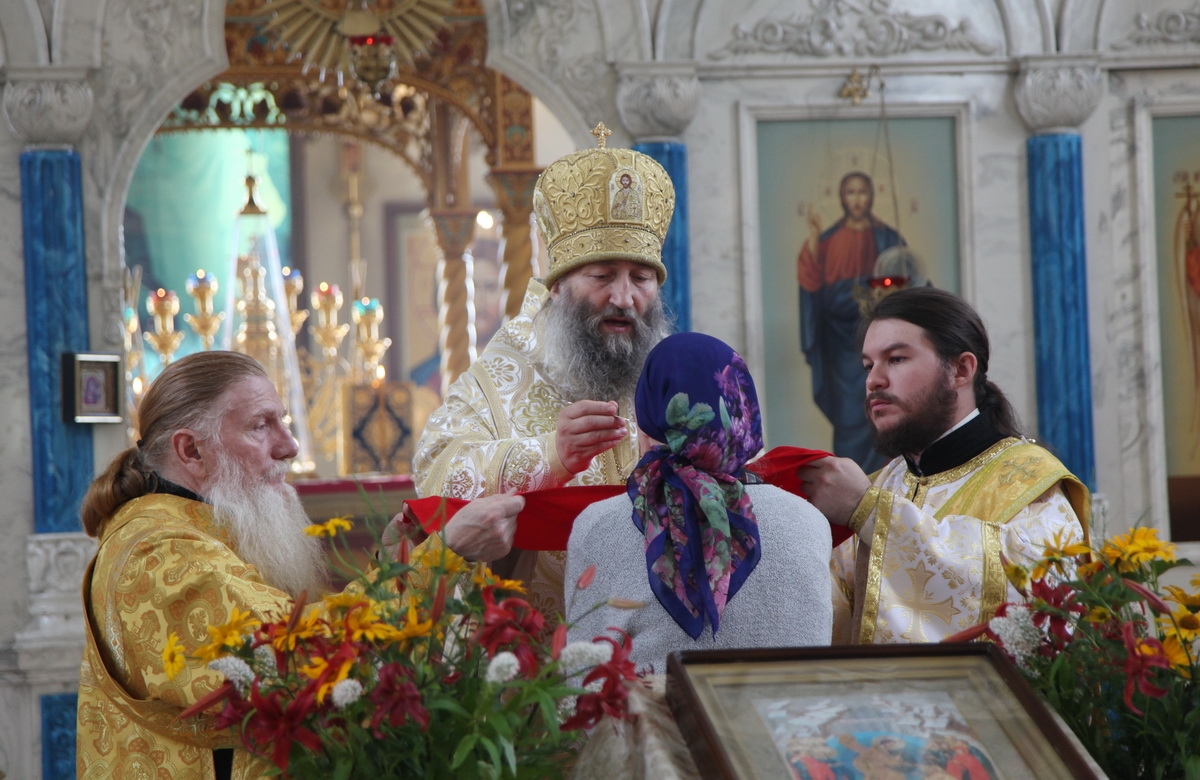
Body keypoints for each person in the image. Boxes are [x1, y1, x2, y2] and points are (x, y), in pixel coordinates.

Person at [76, 351, 523, 780]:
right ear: (191, 450)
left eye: (283, 421)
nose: (289, 446)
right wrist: (440, 558)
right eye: (261, 426)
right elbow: (292, 663)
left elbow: (290, 623)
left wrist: (396, 568)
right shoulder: (158, 555)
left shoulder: (202, 527)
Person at [412, 124, 675, 624]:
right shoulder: (505, 371)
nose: (624, 297)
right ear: (557, 287)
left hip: (662, 639)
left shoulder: (676, 373)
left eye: (641, 278)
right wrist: (549, 455)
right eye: (602, 276)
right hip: (541, 646)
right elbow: (437, 471)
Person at [799, 287, 1090, 644]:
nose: (874, 380)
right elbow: (832, 612)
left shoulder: (1030, 480)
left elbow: (1038, 602)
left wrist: (871, 512)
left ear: (960, 369)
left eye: (896, 359)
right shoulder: (883, 484)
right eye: (868, 365)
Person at [564, 333, 832, 672]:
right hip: (787, 708)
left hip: (657, 708)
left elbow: (580, 680)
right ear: (743, 410)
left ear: (646, 417)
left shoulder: (600, 526)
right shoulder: (808, 520)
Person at [798, 171, 904, 473]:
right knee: (849, 417)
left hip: (881, 337)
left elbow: (906, 276)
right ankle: (853, 479)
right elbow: (811, 286)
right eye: (850, 193)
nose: (857, 199)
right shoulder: (827, 240)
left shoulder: (888, 238)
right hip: (839, 348)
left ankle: (889, 477)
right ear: (842, 198)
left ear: (871, 196)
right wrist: (814, 243)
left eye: (862, 192)